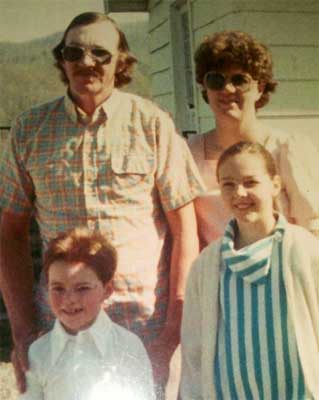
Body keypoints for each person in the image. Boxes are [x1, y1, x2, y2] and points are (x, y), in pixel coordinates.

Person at [0, 12, 204, 395]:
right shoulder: (29, 130)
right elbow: (8, 234)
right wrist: (24, 332)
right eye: (74, 51)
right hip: (63, 327)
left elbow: (185, 231)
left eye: (100, 53)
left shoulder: (153, 124)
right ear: (61, 59)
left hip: (143, 325)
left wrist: (172, 335)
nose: (87, 62)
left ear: (121, 61)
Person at [180, 141, 319, 399]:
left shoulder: (306, 251)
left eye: (250, 182)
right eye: (228, 184)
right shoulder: (207, 266)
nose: (239, 193)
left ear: (275, 185)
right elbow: (194, 351)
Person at [188, 30, 319, 248]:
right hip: (215, 275)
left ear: (259, 88)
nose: (227, 89)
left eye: (240, 80)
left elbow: (313, 227)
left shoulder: (285, 148)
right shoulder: (188, 153)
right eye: (215, 80)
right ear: (205, 87)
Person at [20, 228, 155, 400]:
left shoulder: (128, 346)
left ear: (107, 290)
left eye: (82, 288)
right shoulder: (39, 352)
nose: (69, 299)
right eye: (58, 288)